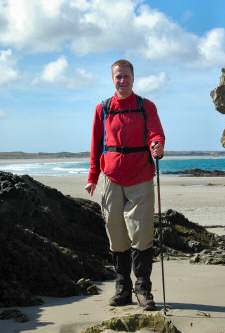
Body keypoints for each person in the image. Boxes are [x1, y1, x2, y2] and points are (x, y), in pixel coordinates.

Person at [85, 59, 165, 311]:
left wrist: (157, 145)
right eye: (118, 76)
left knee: (142, 232)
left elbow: (155, 133)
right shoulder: (103, 108)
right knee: (115, 231)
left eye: (126, 76)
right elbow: (96, 145)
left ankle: (143, 289)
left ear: (133, 77)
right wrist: (92, 177)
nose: (122, 80)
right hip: (111, 177)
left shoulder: (146, 106)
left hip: (140, 176)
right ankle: (122, 288)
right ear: (112, 79)